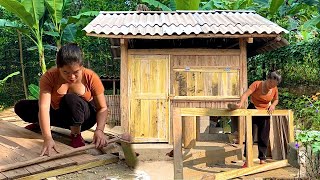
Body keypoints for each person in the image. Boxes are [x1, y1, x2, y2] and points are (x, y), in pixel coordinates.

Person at [14, 43, 108, 156]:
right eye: (66, 72)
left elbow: (102, 108)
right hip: (60, 113)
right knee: (21, 106)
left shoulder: (91, 77)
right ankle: (40, 124)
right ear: (59, 68)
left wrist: (99, 130)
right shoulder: (49, 77)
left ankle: (75, 135)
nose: (71, 77)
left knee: (70, 98)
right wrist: (47, 137)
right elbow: (43, 108)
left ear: (81, 67)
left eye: (76, 72)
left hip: (85, 119)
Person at [235, 71, 282, 168]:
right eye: (271, 84)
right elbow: (245, 94)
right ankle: (247, 160)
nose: (272, 87)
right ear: (268, 79)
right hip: (253, 109)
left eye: (274, 85)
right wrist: (240, 103)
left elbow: (276, 99)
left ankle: (262, 159)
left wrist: (273, 105)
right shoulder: (257, 84)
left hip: (265, 112)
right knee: (250, 135)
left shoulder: (274, 89)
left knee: (264, 135)